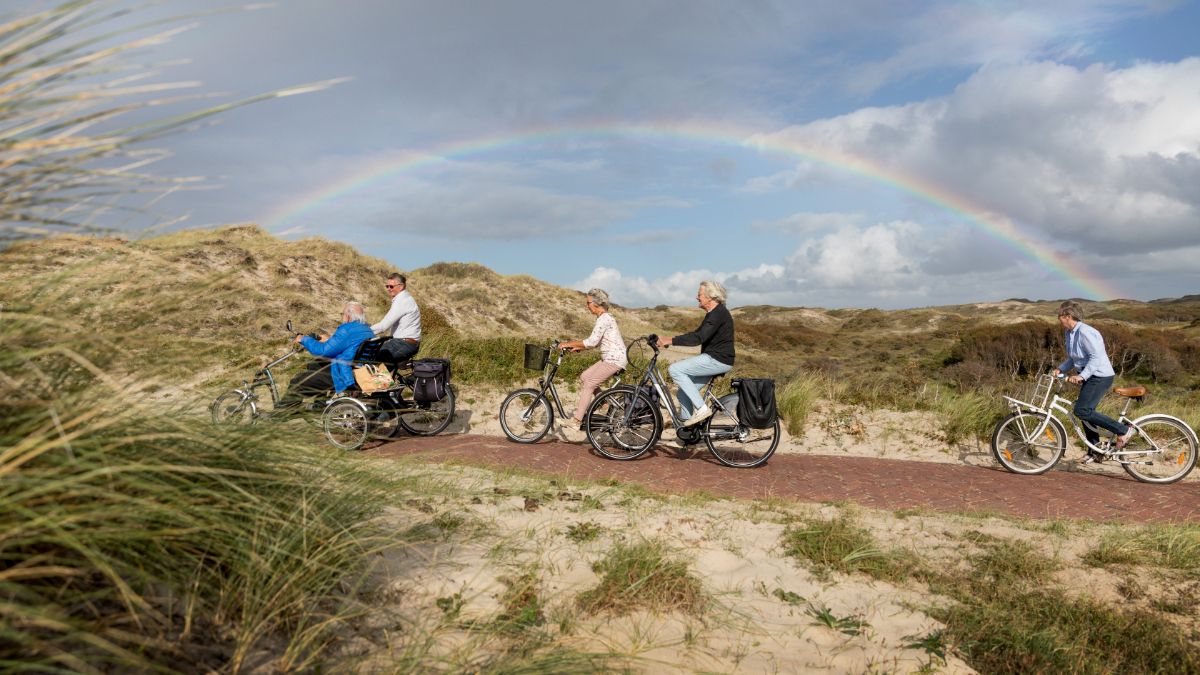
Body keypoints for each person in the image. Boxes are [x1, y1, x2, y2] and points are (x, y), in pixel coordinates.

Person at [1051, 300, 1133, 462]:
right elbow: (1074, 359)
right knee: (1086, 413)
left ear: (1068, 316)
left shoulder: (1085, 332)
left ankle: (1123, 430)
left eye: (1059, 315)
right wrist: (1060, 369)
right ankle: (1095, 452)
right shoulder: (1069, 333)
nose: (1058, 318)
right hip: (1091, 376)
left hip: (1100, 376)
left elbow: (1096, 357)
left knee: (1082, 410)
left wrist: (1082, 376)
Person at [656, 281, 735, 429]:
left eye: (699, 294)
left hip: (717, 360)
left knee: (675, 369)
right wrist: (668, 339)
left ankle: (702, 408)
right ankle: (689, 433)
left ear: (710, 297)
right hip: (714, 359)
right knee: (682, 393)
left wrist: (669, 340)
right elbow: (697, 334)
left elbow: (698, 338)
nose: (697, 297)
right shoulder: (714, 313)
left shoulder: (718, 313)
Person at [276, 301, 375, 411]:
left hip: (342, 374)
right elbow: (347, 346)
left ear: (347, 317)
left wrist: (303, 339)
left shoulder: (347, 329)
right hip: (357, 370)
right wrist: (329, 340)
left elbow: (323, 351)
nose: (342, 317)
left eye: (342, 315)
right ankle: (320, 404)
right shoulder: (366, 330)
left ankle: (279, 415)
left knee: (297, 381)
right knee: (314, 364)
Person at [558, 288, 628, 430]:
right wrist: (579, 347)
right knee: (585, 376)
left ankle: (576, 421)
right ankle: (605, 404)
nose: (587, 305)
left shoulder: (604, 319)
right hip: (610, 357)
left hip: (614, 360)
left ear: (596, 303)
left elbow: (591, 342)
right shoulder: (605, 317)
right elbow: (595, 343)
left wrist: (567, 344)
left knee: (589, 384)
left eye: (588, 302)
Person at [371, 272, 422, 363]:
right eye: (387, 286)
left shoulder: (402, 301)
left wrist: (363, 332)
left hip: (404, 343)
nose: (389, 289)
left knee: (372, 357)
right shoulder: (406, 298)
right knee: (383, 368)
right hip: (408, 343)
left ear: (401, 287)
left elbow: (383, 326)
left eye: (391, 286)